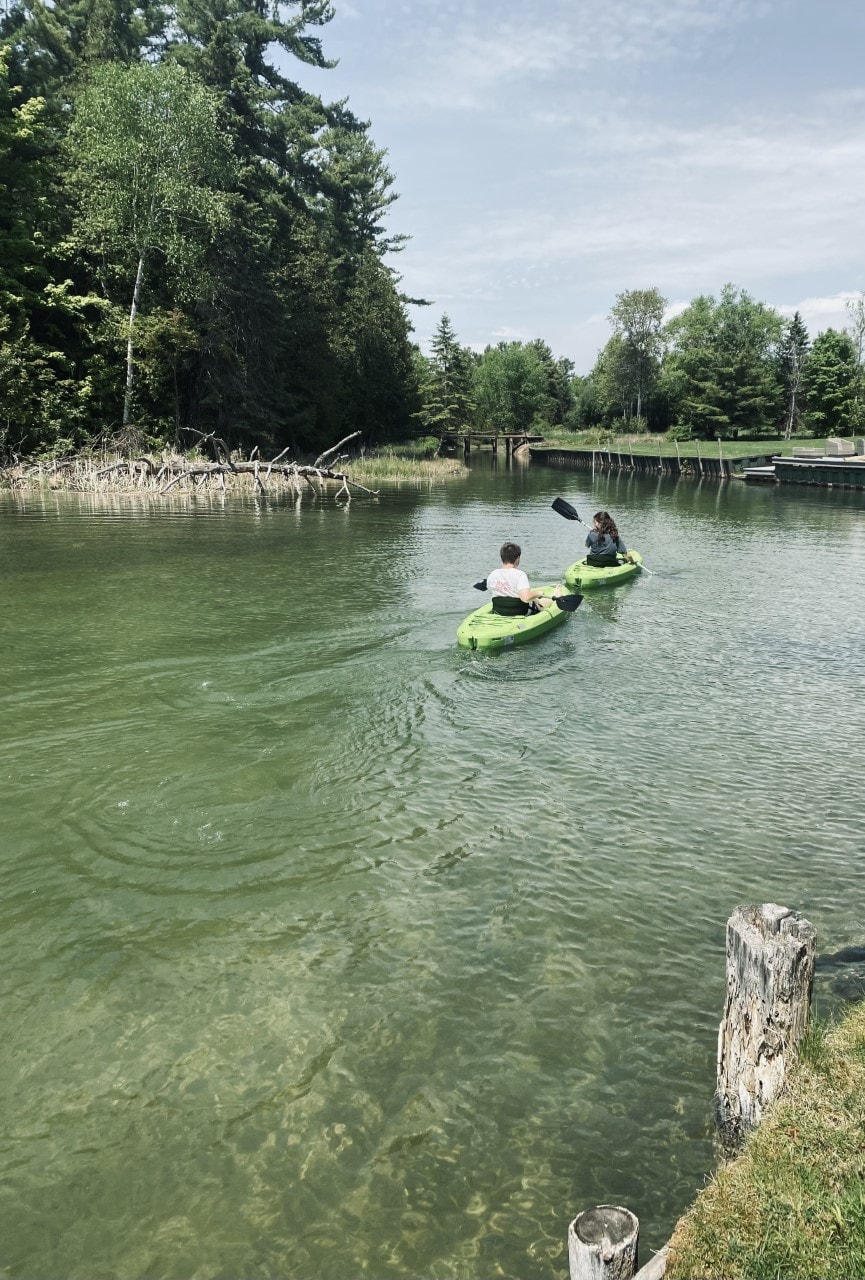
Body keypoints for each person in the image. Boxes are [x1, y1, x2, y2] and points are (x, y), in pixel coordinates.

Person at [487, 542, 559, 616]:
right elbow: (526, 598)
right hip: (520, 612)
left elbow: (492, 590)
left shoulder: (493, 574)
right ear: (518, 558)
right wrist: (538, 593)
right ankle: (556, 595)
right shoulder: (520, 575)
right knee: (540, 601)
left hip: (499, 611)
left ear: (502, 557)